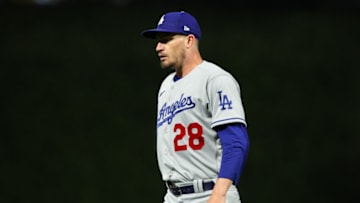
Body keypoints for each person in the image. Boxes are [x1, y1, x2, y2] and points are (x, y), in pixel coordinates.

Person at [141, 11, 250, 203]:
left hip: (210, 192)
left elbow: (236, 142)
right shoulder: (166, 87)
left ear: (189, 41)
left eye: (166, 39)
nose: (158, 47)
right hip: (173, 195)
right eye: (158, 41)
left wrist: (220, 193)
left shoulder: (215, 79)